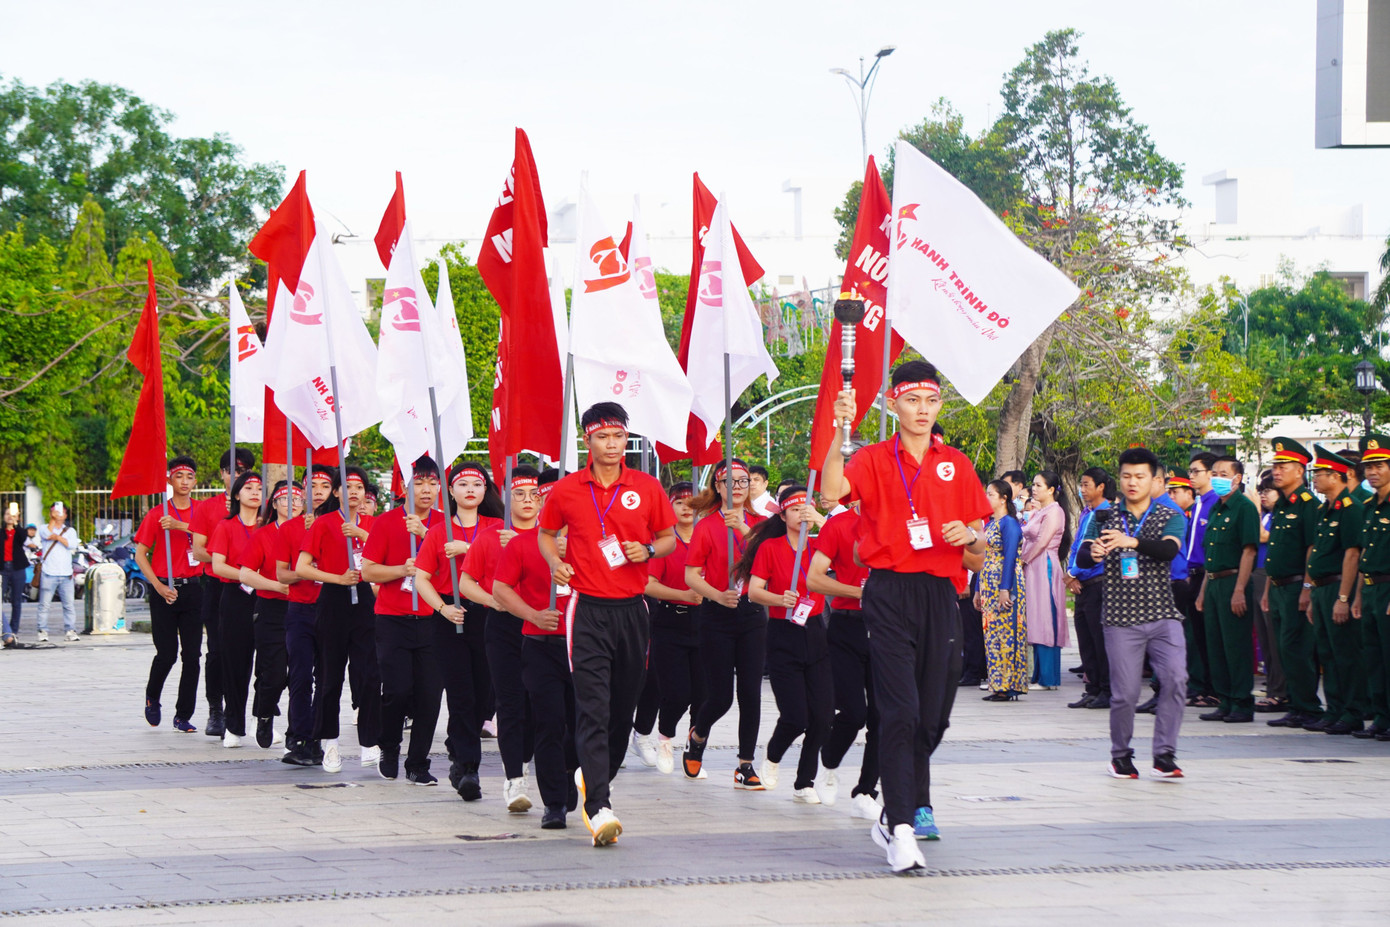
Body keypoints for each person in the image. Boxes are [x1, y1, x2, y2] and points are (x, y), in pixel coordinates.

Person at [819, 360, 991, 872]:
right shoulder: (872, 458)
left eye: (930, 401)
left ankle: (892, 812)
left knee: (933, 718)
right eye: (911, 400)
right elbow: (831, 493)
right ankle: (899, 827)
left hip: (942, 594)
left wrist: (972, 538)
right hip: (889, 592)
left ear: (939, 405)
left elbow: (979, 549)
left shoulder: (955, 463)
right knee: (899, 712)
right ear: (892, 404)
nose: (922, 410)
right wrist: (838, 432)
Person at [538, 402, 676, 847]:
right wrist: (556, 561)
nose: (612, 445)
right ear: (587, 441)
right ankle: (598, 805)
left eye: (618, 436)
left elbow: (668, 538)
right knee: (592, 708)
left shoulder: (647, 486)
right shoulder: (566, 490)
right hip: (587, 610)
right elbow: (545, 533)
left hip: (633, 609)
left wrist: (649, 553)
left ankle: (591, 773)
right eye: (603, 437)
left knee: (621, 712)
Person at [1076, 447, 1188, 779]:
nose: (1132, 483)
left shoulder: (1170, 515)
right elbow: (1081, 554)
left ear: (1155, 480)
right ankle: (1121, 755)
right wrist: (1094, 553)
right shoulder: (1103, 516)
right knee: (1125, 693)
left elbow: (1168, 550)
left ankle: (1164, 753)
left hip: (1163, 614)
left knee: (1176, 679)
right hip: (1120, 618)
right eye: (1126, 476)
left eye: (1140, 476)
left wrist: (1131, 542)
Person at [417, 462, 509, 804]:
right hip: (450, 615)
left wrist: (469, 550)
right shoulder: (440, 531)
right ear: (450, 492)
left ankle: (459, 745)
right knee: (461, 693)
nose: (470, 489)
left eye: (477, 483)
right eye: (462, 484)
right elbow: (423, 578)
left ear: (486, 490)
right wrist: (442, 608)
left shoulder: (498, 527)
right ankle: (467, 766)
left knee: (485, 694)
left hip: (490, 611)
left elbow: (510, 560)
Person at [491, 467, 578, 830]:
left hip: (584, 645)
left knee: (581, 725)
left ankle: (573, 773)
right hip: (540, 645)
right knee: (548, 723)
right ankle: (553, 802)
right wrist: (530, 614)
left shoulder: (594, 541)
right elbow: (500, 589)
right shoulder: (522, 544)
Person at [681, 458, 768, 787]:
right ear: (718, 487)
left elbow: (770, 562)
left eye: (743, 481)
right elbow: (691, 576)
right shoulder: (705, 526)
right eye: (729, 482)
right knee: (720, 697)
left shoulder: (762, 523)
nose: (737, 488)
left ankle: (745, 764)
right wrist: (716, 596)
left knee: (750, 692)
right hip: (717, 614)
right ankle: (698, 736)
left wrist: (745, 529)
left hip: (751, 612)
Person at [361, 455, 446, 784]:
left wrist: (426, 534)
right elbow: (368, 570)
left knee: (429, 694)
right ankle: (390, 745)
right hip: (393, 618)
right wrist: (403, 570)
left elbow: (455, 569)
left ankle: (418, 762)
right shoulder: (385, 522)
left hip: (432, 618)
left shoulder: (444, 523)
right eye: (419, 482)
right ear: (405, 486)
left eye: (432, 482)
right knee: (397, 690)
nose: (426, 489)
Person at [745, 485, 832, 804]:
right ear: (782, 515)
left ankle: (804, 781)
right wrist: (779, 598)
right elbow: (755, 591)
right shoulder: (770, 547)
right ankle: (773, 754)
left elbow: (850, 541)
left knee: (823, 717)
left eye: (806, 508)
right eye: (794, 509)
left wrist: (822, 521)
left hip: (815, 631)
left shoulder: (820, 544)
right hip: (783, 632)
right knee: (796, 716)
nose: (801, 514)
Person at [298, 465, 382, 774]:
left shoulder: (373, 524)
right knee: (330, 675)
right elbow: (303, 567)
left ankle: (370, 742)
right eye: (347, 487)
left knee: (370, 674)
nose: (354, 493)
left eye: (359, 487)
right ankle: (330, 742)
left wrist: (361, 534)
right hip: (333, 600)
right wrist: (336, 578)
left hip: (367, 602)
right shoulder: (323, 524)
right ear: (336, 493)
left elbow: (389, 555)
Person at [808, 496, 883, 821]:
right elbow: (814, 578)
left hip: (887, 629)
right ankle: (829, 762)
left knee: (883, 716)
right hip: (846, 627)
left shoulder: (897, 522)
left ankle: (866, 790)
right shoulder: (838, 526)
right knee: (853, 713)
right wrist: (859, 592)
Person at [133, 456, 204, 732]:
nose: (184, 482)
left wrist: (180, 526)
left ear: (195, 481)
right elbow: (140, 554)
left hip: (193, 589)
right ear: (169, 480)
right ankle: (153, 697)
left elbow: (210, 537)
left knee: (193, 655)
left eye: (189, 477)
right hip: (164, 589)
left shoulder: (200, 511)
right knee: (167, 653)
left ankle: (183, 714)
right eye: (179, 477)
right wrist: (159, 587)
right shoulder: (157, 513)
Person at [190, 447, 255, 737]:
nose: (236, 476)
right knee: (217, 651)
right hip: (218, 586)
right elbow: (199, 550)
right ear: (223, 474)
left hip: (254, 587)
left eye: (243, 471)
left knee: (250, 652)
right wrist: (228, 559)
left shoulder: (259, 507)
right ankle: (216, 708)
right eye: (232, 471)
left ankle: (242, 710)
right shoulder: (208, 508)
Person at [1261, 439, 1324, 730]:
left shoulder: (1307, 504)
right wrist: (1266, 591)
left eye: (1283, 466)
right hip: (1278, 586)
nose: (1277, 471)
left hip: (1298, 585)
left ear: (1299, 471)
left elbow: (1312, 547)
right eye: (1275, 466)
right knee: (1285, 649)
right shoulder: (1283, 505)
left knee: (1298, 647)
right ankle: (1297, 705)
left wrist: (1308, 588)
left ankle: (1309, 706)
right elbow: (1275, 552)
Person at [1303, 446, 1365, 734]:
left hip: (1340, 586)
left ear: (1338, 476)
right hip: (1321, 588)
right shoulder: (1323, 509)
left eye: (1320, 473)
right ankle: (1335, 708)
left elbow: (1352, 554)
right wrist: (1313, 592)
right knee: (1327, 652)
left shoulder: (1351, 509)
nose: (1315, 478)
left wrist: (1343, 597)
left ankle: (1352, 710)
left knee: (1345, 653)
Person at [643, 482, 704, 775]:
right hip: (670, 620)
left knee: (704, 694)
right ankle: (665, 737)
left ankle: (695, 750)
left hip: (706, 622)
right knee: (677, 692)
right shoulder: (665, 542)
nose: (686, 508)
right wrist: (684, 595)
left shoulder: (708, 537)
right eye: (679, 503)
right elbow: (649, 584)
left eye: (693, 502)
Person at [1195, 456, 1260, 724]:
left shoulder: (1243, 507)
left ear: (1237, 478)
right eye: (1215, 473)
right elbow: (1211, 554)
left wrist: (1240, 589)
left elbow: (1248, 550)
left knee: (1236, 646)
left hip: (1234, 581)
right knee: (1217, 644)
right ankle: (1225, 700)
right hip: (1214, 582)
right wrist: (1202, 592)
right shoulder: (1216, 509)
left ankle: (1242, 702)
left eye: (1223, 473)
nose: (1217, 477)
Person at [277, 465, 334, 767]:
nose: (319, 491)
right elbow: (282, 575)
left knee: (327, 678)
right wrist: (305, 572)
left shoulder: (342, 526)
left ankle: (319, 738)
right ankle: (299, 736)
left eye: (325, 485)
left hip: (331, 610)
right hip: (300, 610)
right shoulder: (289, 528)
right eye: (313, 485)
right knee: (300, 676)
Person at [239, 480, 303, 749]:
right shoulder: (263, 535)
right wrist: (276, 585)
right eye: (285, 498)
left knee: (301, 676)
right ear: (275, 504)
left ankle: (298, 732)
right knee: (274, 674)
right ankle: (264, 714)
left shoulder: (311, 531)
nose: (292, 503)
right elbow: (245, 573)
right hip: (272, 609)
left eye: (298, 498)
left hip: (304, 608)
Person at [207, 472, 265, 748]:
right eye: (249, 487)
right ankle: (234, 725)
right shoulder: (226, 526)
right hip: (235, 597)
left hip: (265, 596)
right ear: (237, 494)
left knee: (268, 665)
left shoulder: (268, 527)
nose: (255, 492)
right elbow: (217, 566)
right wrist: (246, 575)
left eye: (259, 488)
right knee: (235, 663)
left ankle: (262, 718)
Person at [1353, 433, 1390, 741]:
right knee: (1373, 656)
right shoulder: (1369, 506)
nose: (1373, 472)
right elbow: (1364, 551)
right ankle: (1381, 717)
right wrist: (1357, 595)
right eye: (1368, 467)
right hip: (1370, 587)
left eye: (1379, 465)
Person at [1067, 467, 1113, 709]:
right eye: (1081, 485)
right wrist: (1071, 575)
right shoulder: (1087, 512)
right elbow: (1077, 547)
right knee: (1085, 640)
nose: (1082, 490)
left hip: (1099, 583)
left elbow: (1098, 552)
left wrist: (1074, 573)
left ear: (1100, 487)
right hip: (1081, 582)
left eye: (1086, 485)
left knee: (1100, 640)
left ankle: (1107, 690)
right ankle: (1092, 688)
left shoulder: (1108, 513)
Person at [977, 479, 1027, 701]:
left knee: (1007, 633)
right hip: (988, 584)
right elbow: (983, 557)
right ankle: (997, 683)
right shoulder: (990, 524)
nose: (986, 498)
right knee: (992, 633)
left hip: (1005, 583)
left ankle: (1009, 684)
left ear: (1003, 498)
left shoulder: (1010, 524)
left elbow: (1010, 558)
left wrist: (1005, 589)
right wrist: (979, 589)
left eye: (990, 494)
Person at [1021, 472, 1068, 690]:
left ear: (1051, 489)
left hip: (1044, 565)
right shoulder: (1041, 511)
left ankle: (1048, 677)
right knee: (1036, 617)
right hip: (1034, 566)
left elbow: (1042, 542)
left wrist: (1023, 560)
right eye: (1033, 484)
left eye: (1039, 485)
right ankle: (1039, 675)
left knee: (1046, 617)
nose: (1034, 488)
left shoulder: (1055, 512)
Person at [1181, 451, 1219, 707]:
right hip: (1190, 575)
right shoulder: (1197, 506)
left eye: (1196, 471)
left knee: (1209, 636)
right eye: (1191, 471)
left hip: (1208, 575)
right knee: (1195, 636)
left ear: (1210, 474)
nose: (1191, 476)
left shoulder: (1216, 502)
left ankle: (1213, 689)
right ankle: (1201, 686)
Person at [1252, 476, 1287, 713]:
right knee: (1264, 638)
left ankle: (1280, 691)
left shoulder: (1280, 515)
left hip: (1271, 575)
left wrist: (1254, 507)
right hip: (1258, 574)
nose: (1264, 496)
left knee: (1275, 639)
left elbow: (1263, 536)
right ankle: (1273, 688)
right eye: (1261, 492)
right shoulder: (1266, 515)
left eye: (1268, 491)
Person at [35, 502, 79, 643]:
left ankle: (70, 630)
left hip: (66, 573)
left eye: (61, 512)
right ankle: (42, 630)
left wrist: (58, 537)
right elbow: (47, 534)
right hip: (49, 572)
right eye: (55, 511)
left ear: (66, 515)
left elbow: (71, 544)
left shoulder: (70, 531)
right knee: (44, 604)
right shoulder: (44, 527)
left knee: (69, 605)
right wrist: (53, 521)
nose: (59, 514)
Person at [3, 504, 27, 644]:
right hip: (3, 568)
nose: (9, 517)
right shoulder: (1, 532)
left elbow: (23, 537)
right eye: (7, 514)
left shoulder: (19, 532)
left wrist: (16, 522)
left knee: (16, 601)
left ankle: (13, 630)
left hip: (17, 568)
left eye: (11, 514)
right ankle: (4, 629)